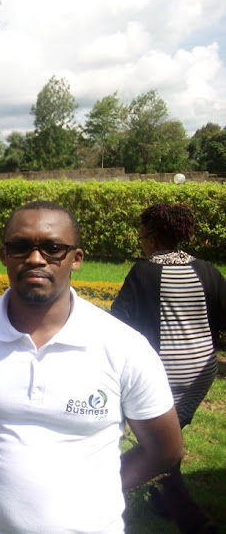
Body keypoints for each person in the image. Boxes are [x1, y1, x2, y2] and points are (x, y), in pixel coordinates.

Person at [0, 200, 184, 534]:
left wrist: (99, 486)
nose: (34, 258)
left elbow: (166, 450)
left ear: (77, 259)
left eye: (53, 248)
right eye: (19, 247)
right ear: (3, 255)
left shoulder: (123, 346)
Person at [112, 202, 225, 533]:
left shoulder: (144, 272)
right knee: (166, 437)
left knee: (159, 442)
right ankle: (171, 500)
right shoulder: (207, 270)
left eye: (142, 233)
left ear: (151, 236)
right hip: (202, 372)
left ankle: (184, 511)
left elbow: (119, 322)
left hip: (160, 374)